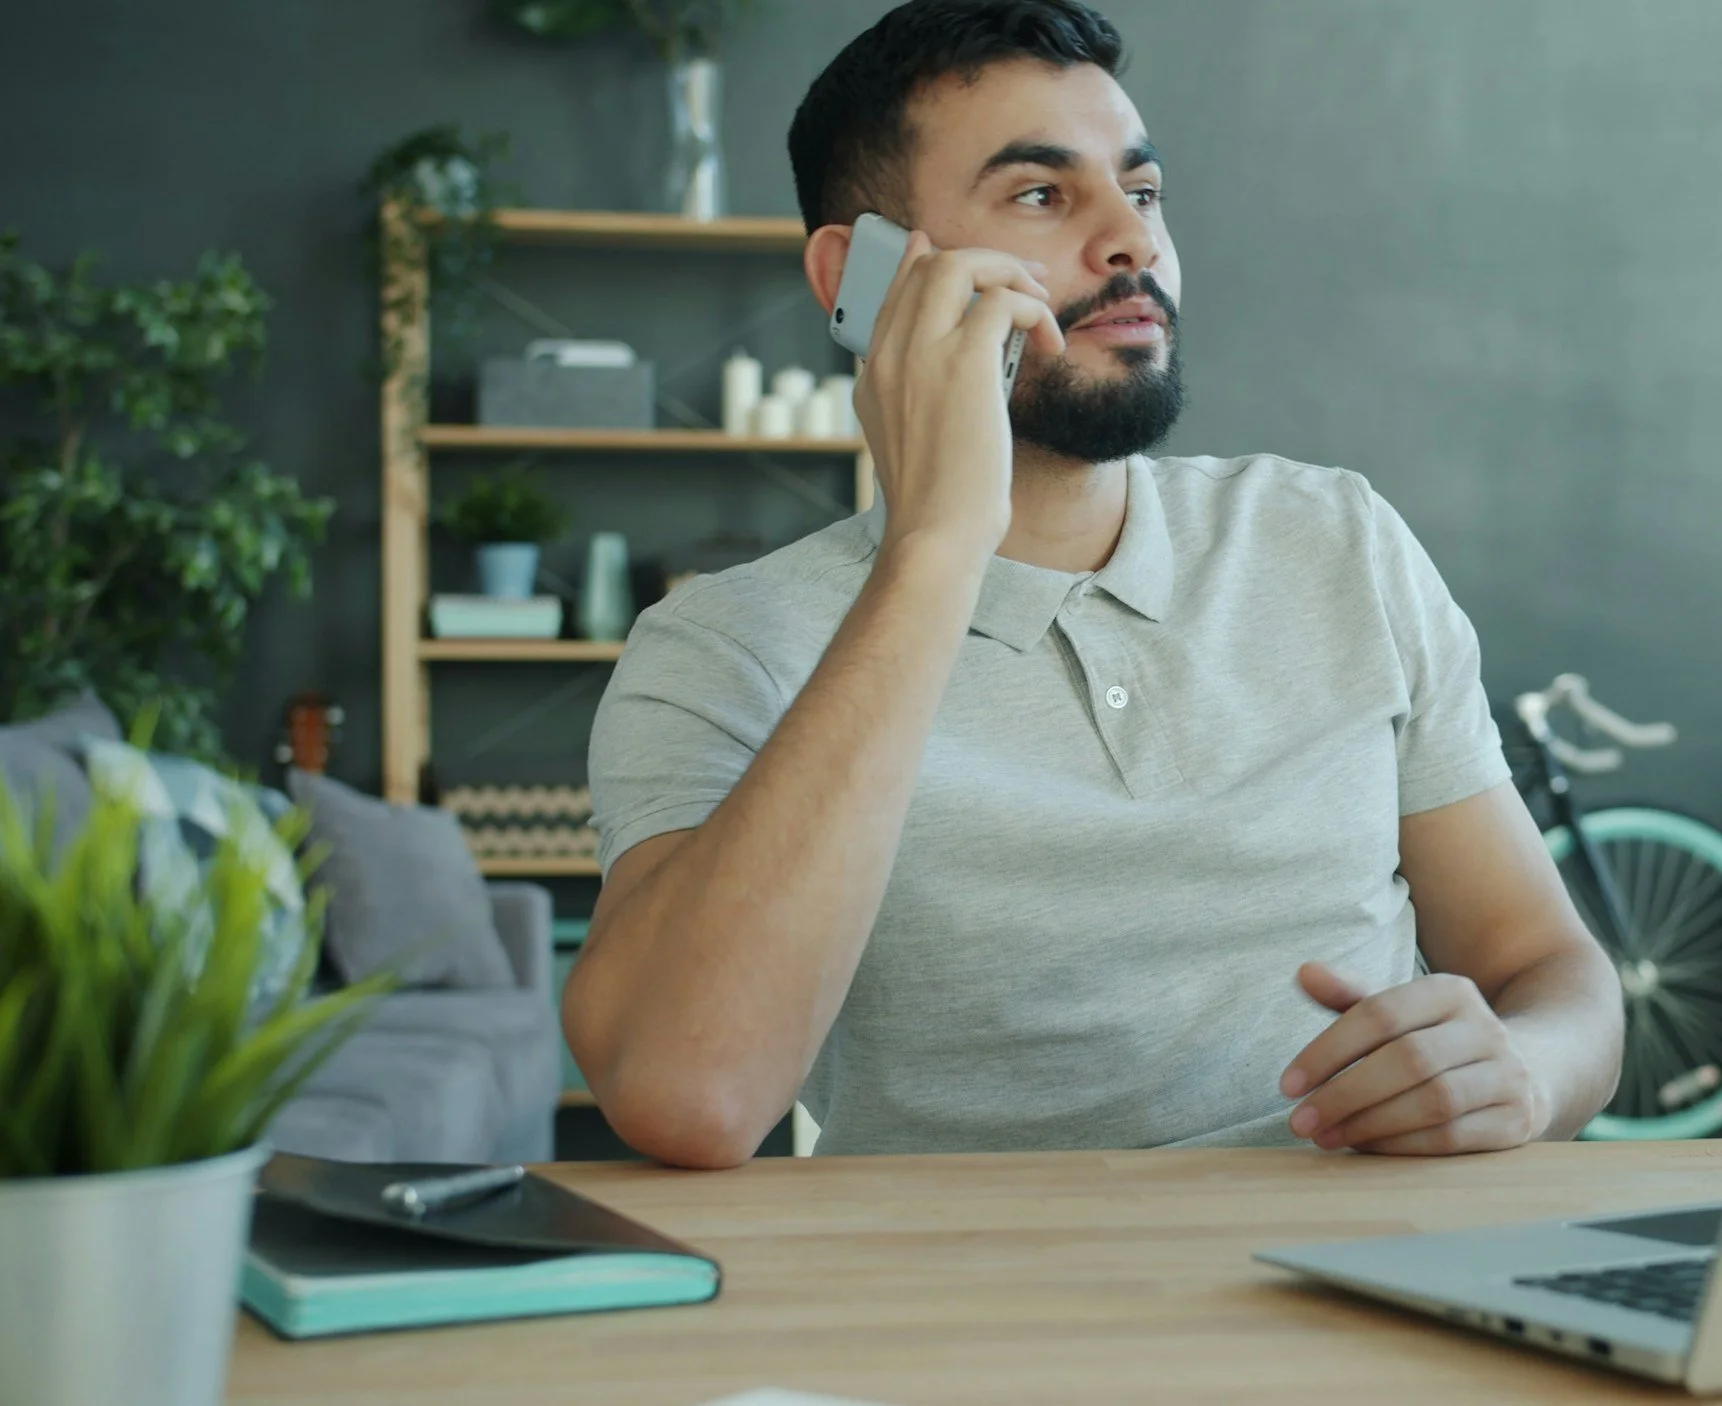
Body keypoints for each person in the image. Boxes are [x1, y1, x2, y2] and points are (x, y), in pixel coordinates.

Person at [566, 0, 1624, 1168]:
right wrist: (935, 549)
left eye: (1145, 191)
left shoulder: (1336, 540)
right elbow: (686, 1094)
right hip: (970, 1317)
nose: (1133, 242)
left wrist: (1519, 1073)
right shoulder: (722, 646)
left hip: (1374, 1279)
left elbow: (1552, 973)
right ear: (858, 275)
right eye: (1040, 194)